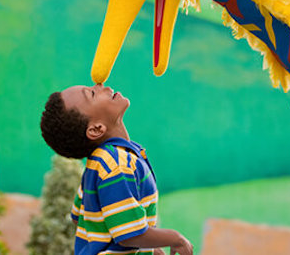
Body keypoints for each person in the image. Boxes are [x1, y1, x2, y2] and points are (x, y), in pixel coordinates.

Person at [40, 84, 193, 255]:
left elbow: (84, 218)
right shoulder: (116, 164)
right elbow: (128, 235)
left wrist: (149, 247)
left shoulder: (100, 162)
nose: (99, 85)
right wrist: (175, 238)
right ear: (96, 129)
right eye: (91, 93)